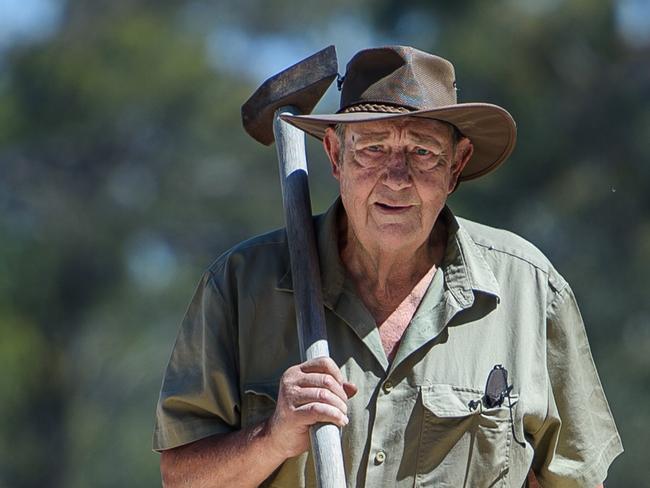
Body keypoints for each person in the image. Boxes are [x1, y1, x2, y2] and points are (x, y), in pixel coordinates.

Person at [153, 46, 623, 487]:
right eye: (373, 149)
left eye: (422, 152)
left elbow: (579, 479)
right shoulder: (239, 286)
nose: (396, 178)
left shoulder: (530, 289)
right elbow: (178, 477)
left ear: (456, 167)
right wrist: (271, 439)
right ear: (336, 156)